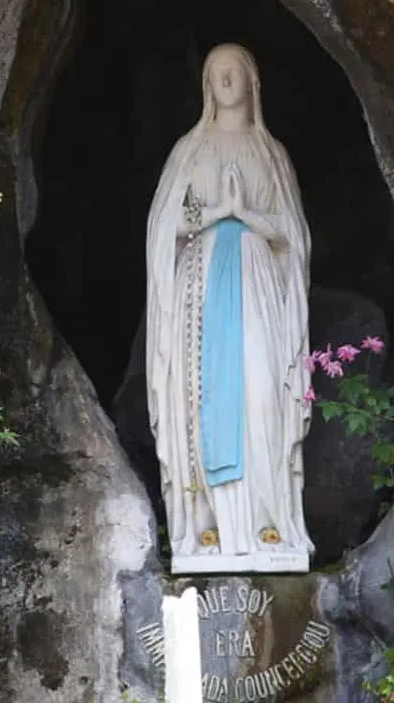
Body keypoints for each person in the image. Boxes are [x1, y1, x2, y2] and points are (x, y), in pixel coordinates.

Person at [145, 43, 313, 570]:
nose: (223, 80)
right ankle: (209, 526)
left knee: (262, 393)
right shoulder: (188, 152)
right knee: (202, 395)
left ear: (252, 82)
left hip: (257, 285)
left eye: (233, 72)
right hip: (200, 288)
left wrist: (247, 216)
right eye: (214, 73)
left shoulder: (271, 155)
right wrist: (218, 213)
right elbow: (159, 232)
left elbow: (294, 237)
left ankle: (269, 522)